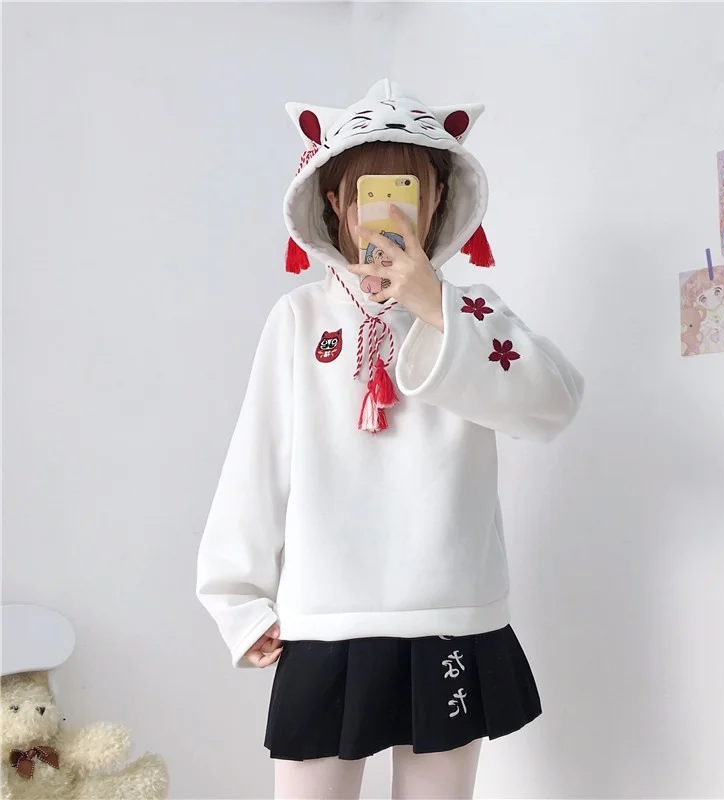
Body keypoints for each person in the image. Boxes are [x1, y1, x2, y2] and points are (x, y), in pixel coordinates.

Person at [196, 79, 584, 800]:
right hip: (325, 617)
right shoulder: (300, 317)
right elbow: (257, 460)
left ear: (436, 202)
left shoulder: (474, 312)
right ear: (337, 204)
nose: (389, 209)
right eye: (369, 192)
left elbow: (553, 404)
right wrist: (237, 598)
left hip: (450, 613)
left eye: (408, 189)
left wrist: (436, 308)